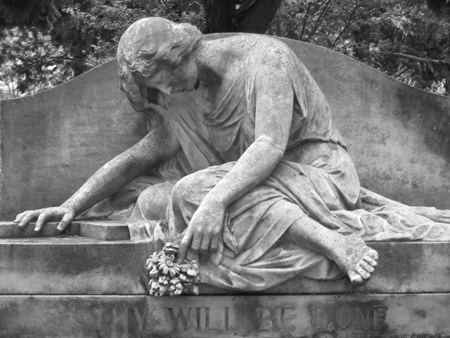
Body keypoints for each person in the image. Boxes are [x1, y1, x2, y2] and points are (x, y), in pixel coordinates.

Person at [14, 17, 450, 291]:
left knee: (192, 193)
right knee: (151, 201)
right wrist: (70, 205)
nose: (166, 93)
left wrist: (216, 200)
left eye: (166, 78)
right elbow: (141, 155)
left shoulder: (266, 60)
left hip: (314, 174)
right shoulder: (181, 92)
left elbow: (269, 146)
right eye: (155, 89)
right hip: (253, 182)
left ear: (181, 51)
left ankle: (334, 241)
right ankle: (247, 213)